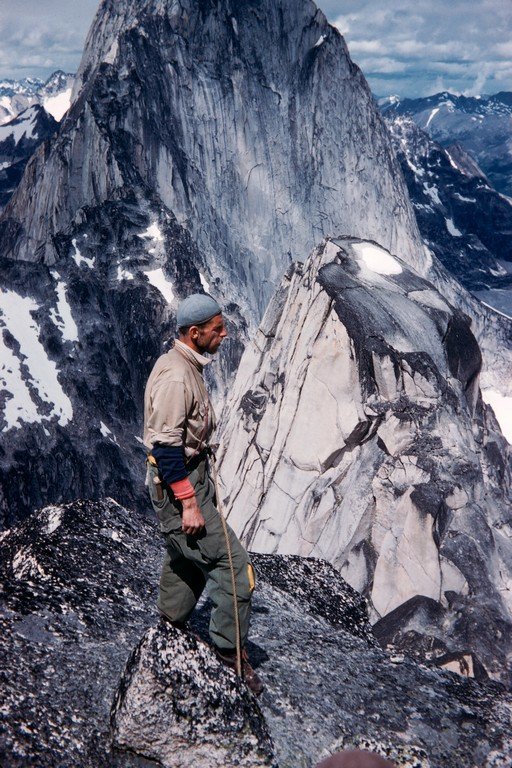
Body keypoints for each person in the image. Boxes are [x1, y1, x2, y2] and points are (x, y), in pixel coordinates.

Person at [143, 293, 263, 695]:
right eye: (217, 329)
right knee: (233, 567)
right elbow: (165, 447)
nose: (225, 334)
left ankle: (170, 623)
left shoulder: (182, 364)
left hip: (191, 481)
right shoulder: (178, 377)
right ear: (195, 334)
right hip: (182, 486)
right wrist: (190, 503)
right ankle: (230, 656)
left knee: (187, 553)